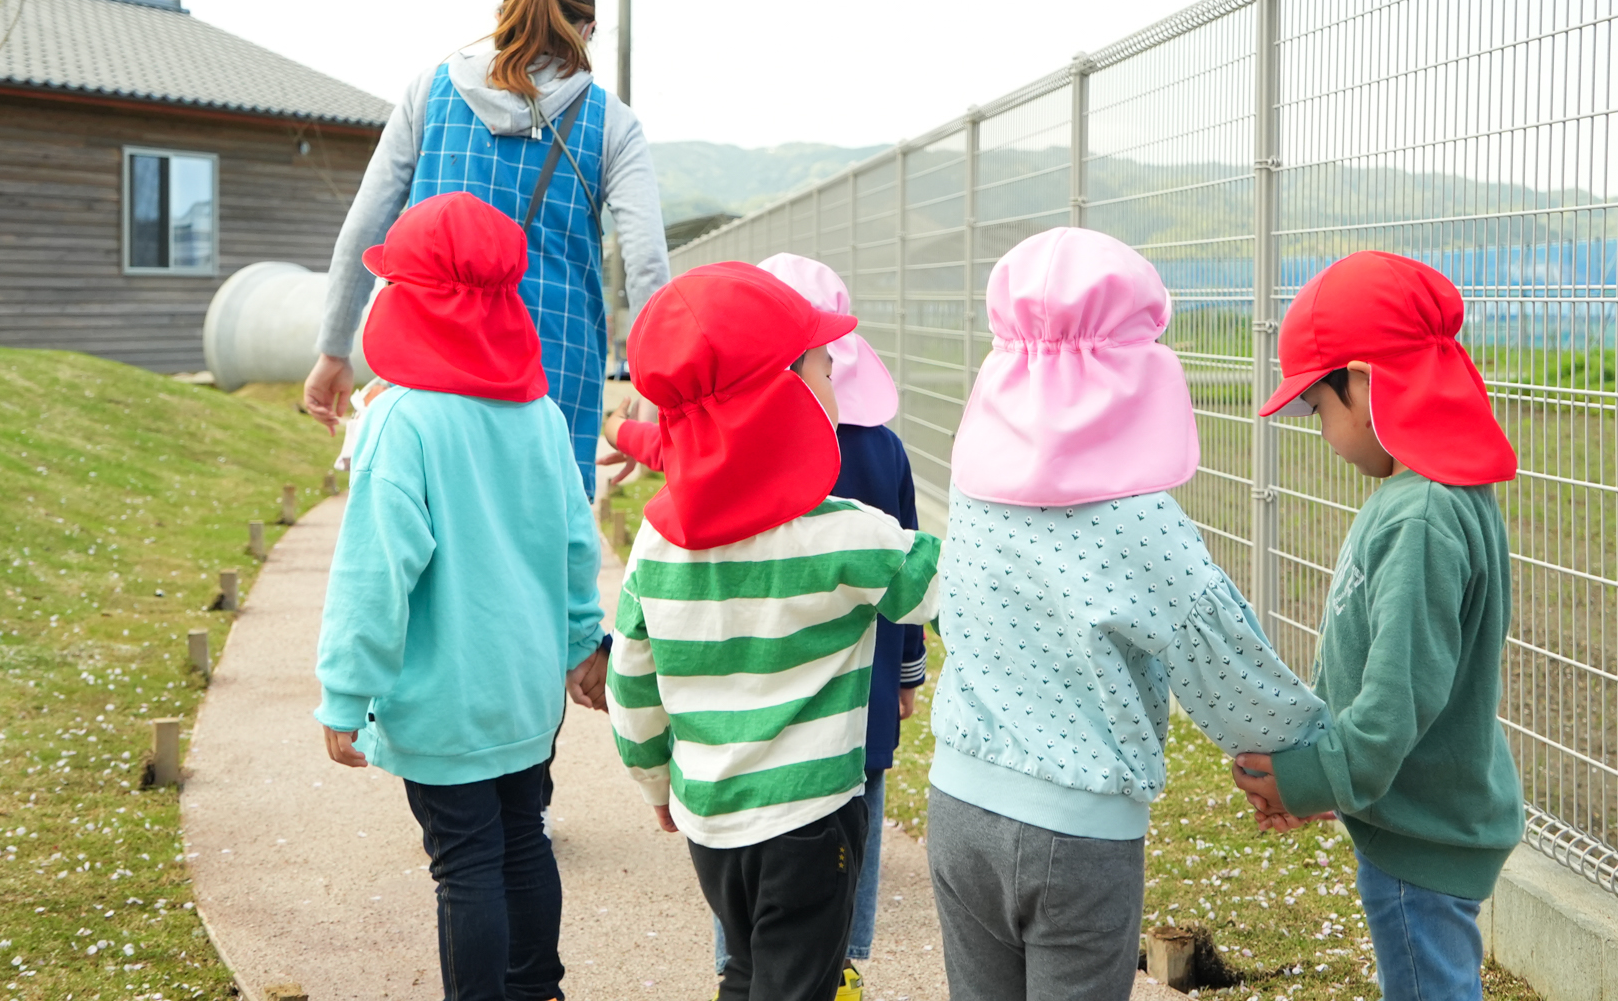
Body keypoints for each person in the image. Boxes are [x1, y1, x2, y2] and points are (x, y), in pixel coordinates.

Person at [926, 227, 1327, 1001]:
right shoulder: (1139, 520)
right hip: (1076, 836)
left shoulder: (976, 487)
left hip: (959, 802)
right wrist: (1306, 761)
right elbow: (1218, 655)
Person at [605, 262, 943, 1001]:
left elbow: (630, 679)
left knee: (749, 969)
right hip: (810, 819)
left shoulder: (657, 546)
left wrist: (655, 781)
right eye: (823, 364)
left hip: (710, 821)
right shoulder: (844, 535)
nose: (835, 376)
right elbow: (943, 586)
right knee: (799, 984)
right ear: (776, 391)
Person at [313, 191, 609, 1001]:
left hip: (444, 700)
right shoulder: (539, 412)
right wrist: (586, 638)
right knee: (524, 838)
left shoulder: (399, 420)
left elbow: (376, 570)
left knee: (465, 863)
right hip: (523, 691)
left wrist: (346, 689)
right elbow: (576, 542)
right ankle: (537, 988)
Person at [1231, 250, 1523, 1001]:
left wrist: (1307, 777)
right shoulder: (1428, 495)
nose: (1320, 429)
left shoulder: (1422, 514)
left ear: (1362, 382)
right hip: (1417, 814)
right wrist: (1332, 776)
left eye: (1318, 407)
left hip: (1419, 839)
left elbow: (1398, 699)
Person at [304, 0, 669, 499]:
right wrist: (652, 385)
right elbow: (645, 263)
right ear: (588, 29)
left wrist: (334, 350)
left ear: (503, 15)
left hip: (428, 350)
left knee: (425, 518)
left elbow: (366, 226)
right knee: (547, 534)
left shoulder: (428, 93)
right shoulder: (611, 119)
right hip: (554, 359)